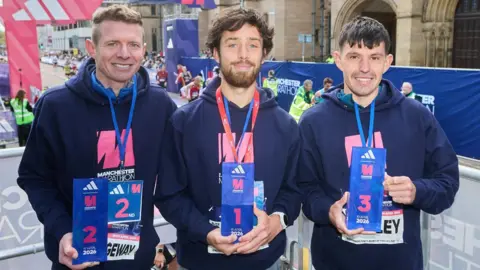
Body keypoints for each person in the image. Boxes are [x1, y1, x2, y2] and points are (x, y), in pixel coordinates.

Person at [17, 5, 177, 270]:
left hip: (137, 259)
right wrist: (62, 230)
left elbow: (180, 175)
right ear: (92, 48)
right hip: (77, 258)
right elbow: (34, 178)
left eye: (133, 45)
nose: (124, 54)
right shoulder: (56, 106)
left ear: (144, 49)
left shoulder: (161, 105)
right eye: (113, 43)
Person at [297, 16, 459, 270]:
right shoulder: (313, 121)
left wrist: (417, 191)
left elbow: (447, 182)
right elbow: (305, 189)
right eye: (354, 56)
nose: (364, 68)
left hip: (401, 263)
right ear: (338, 59)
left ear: (388, 62)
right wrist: (329, 210)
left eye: (374, 57)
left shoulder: (417, 116)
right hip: (335, 261)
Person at [155, 8, 302, 270]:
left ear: (264, 53)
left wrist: (277, 220)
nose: (243, 54)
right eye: (232, 44)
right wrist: (206, 232)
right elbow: (169, 196)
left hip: (266, 262)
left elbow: (293, 191)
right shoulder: (184, 122)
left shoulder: (286, 125)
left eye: (252, 45)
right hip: (200, 262)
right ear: (215, 52)